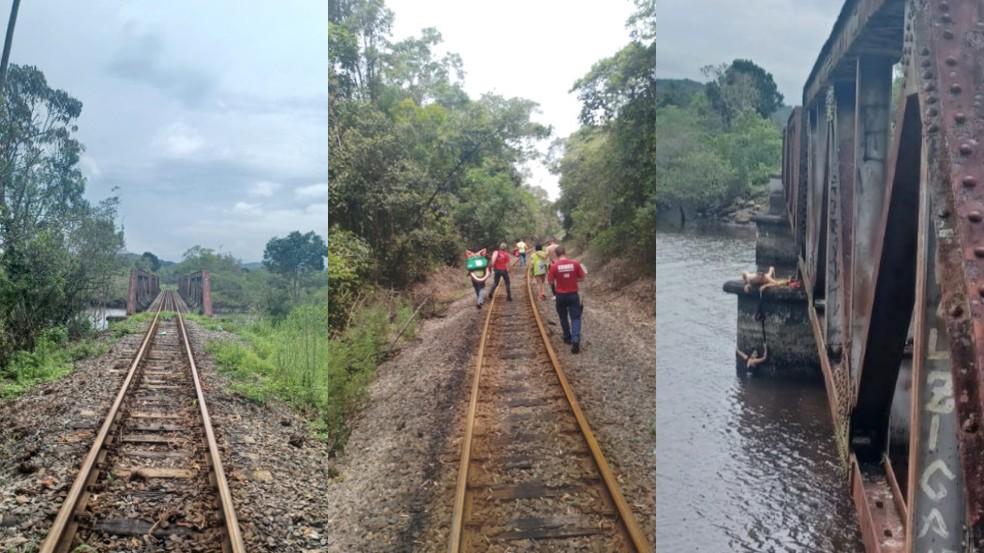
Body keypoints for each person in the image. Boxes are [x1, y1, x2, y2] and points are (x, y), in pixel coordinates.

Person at [546, 245, 586, 353]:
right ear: (565, 252)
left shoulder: (554, 266)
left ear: (556, 254)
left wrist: (559, 280)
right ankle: (576, 339)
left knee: (563, 317)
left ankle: (567, 337)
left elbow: (549, 282)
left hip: (560, 296)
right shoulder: (575, 263)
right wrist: (573, 280)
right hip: (573, 295)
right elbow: (582, 278)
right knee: (576, 317)